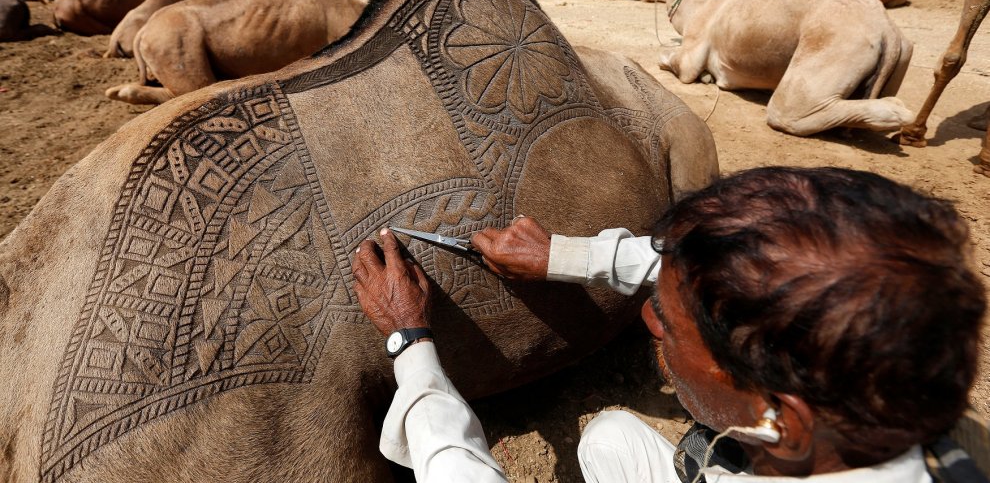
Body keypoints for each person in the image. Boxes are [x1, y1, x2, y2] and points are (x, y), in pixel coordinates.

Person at [351, 167, 987, 482]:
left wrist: (410, 341)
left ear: (781, 424)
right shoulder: (898, 394)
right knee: (609, 440)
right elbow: (702, 268)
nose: (651, 318)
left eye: (674, 328)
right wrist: (562, 256)